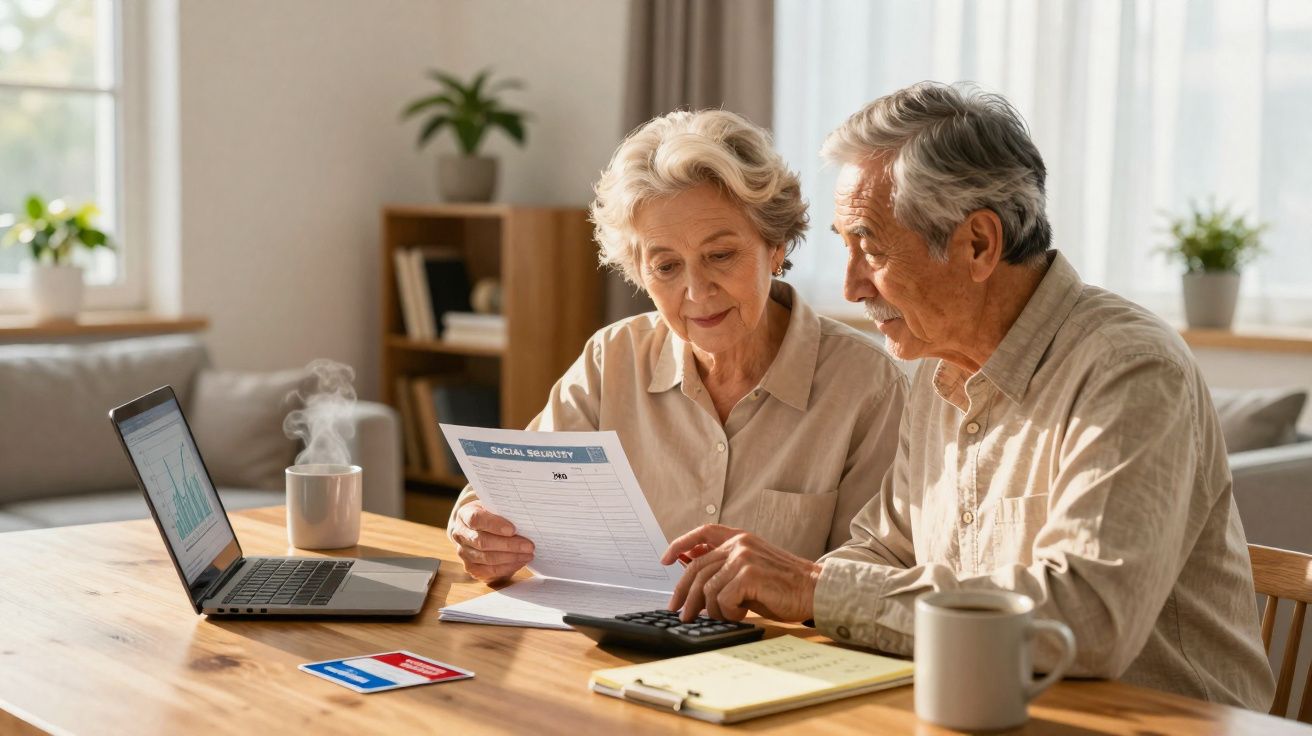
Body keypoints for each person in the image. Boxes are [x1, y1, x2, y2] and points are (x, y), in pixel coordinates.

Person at [663, 83, 1275, 710]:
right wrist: (764, 586)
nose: (849, 287)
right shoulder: (938, 371)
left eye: (870, 248)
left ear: (978, 244)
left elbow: (1088, 620)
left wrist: (815, 587)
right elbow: (886, 546)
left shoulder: (1129, 370)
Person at [446, 109, 907, 583]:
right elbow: (507, 493)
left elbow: (872, 577)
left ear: (775, 246)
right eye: (666, 266)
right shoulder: (613, 359)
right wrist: (479, 529)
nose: (696, 291)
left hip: (773, 654)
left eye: (720, 255)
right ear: (638, 271)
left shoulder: (867, 384)